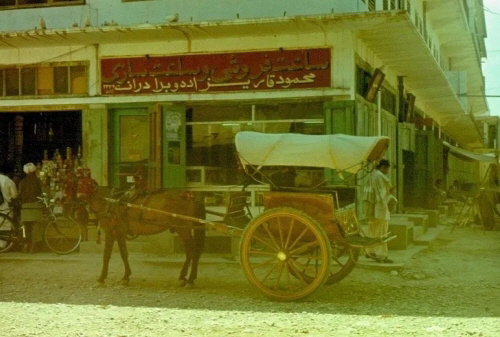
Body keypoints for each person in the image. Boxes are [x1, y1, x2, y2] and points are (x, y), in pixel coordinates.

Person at [363, 159, 395, 263]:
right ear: (382, 167)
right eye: (386, 169)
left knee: (372, 230)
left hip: (371, 207)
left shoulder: (372, 175)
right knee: (381, 232)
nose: (387, 171)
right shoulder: (380, 177)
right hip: (380, 207)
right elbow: (382, 193)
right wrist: (390, 194)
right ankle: (380, 255)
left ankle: (370, 251)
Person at [18, 163, 43, 253]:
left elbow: (19, 195)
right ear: (34, 171)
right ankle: (34, 246)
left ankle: (26, 245)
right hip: (36, 206)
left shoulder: (22, 182)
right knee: (36, 226)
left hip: (25, 207)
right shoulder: (38, 181)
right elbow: (43, 193)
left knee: (25, 226)